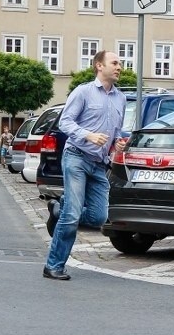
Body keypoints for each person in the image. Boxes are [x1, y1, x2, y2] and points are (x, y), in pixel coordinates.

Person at [43, 50, 127, 281]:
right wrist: (88, 135)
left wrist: (117, 144)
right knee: (72, 215)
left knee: (99, 217)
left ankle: (58, 209)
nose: (120, 67)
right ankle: (53, 266)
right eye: (115, 63)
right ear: (99, 66)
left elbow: (116, 131)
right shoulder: (83, 92)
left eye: (120, 63)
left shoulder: (120, 98)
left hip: (100, 164)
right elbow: (65, 122)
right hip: (76, 157)